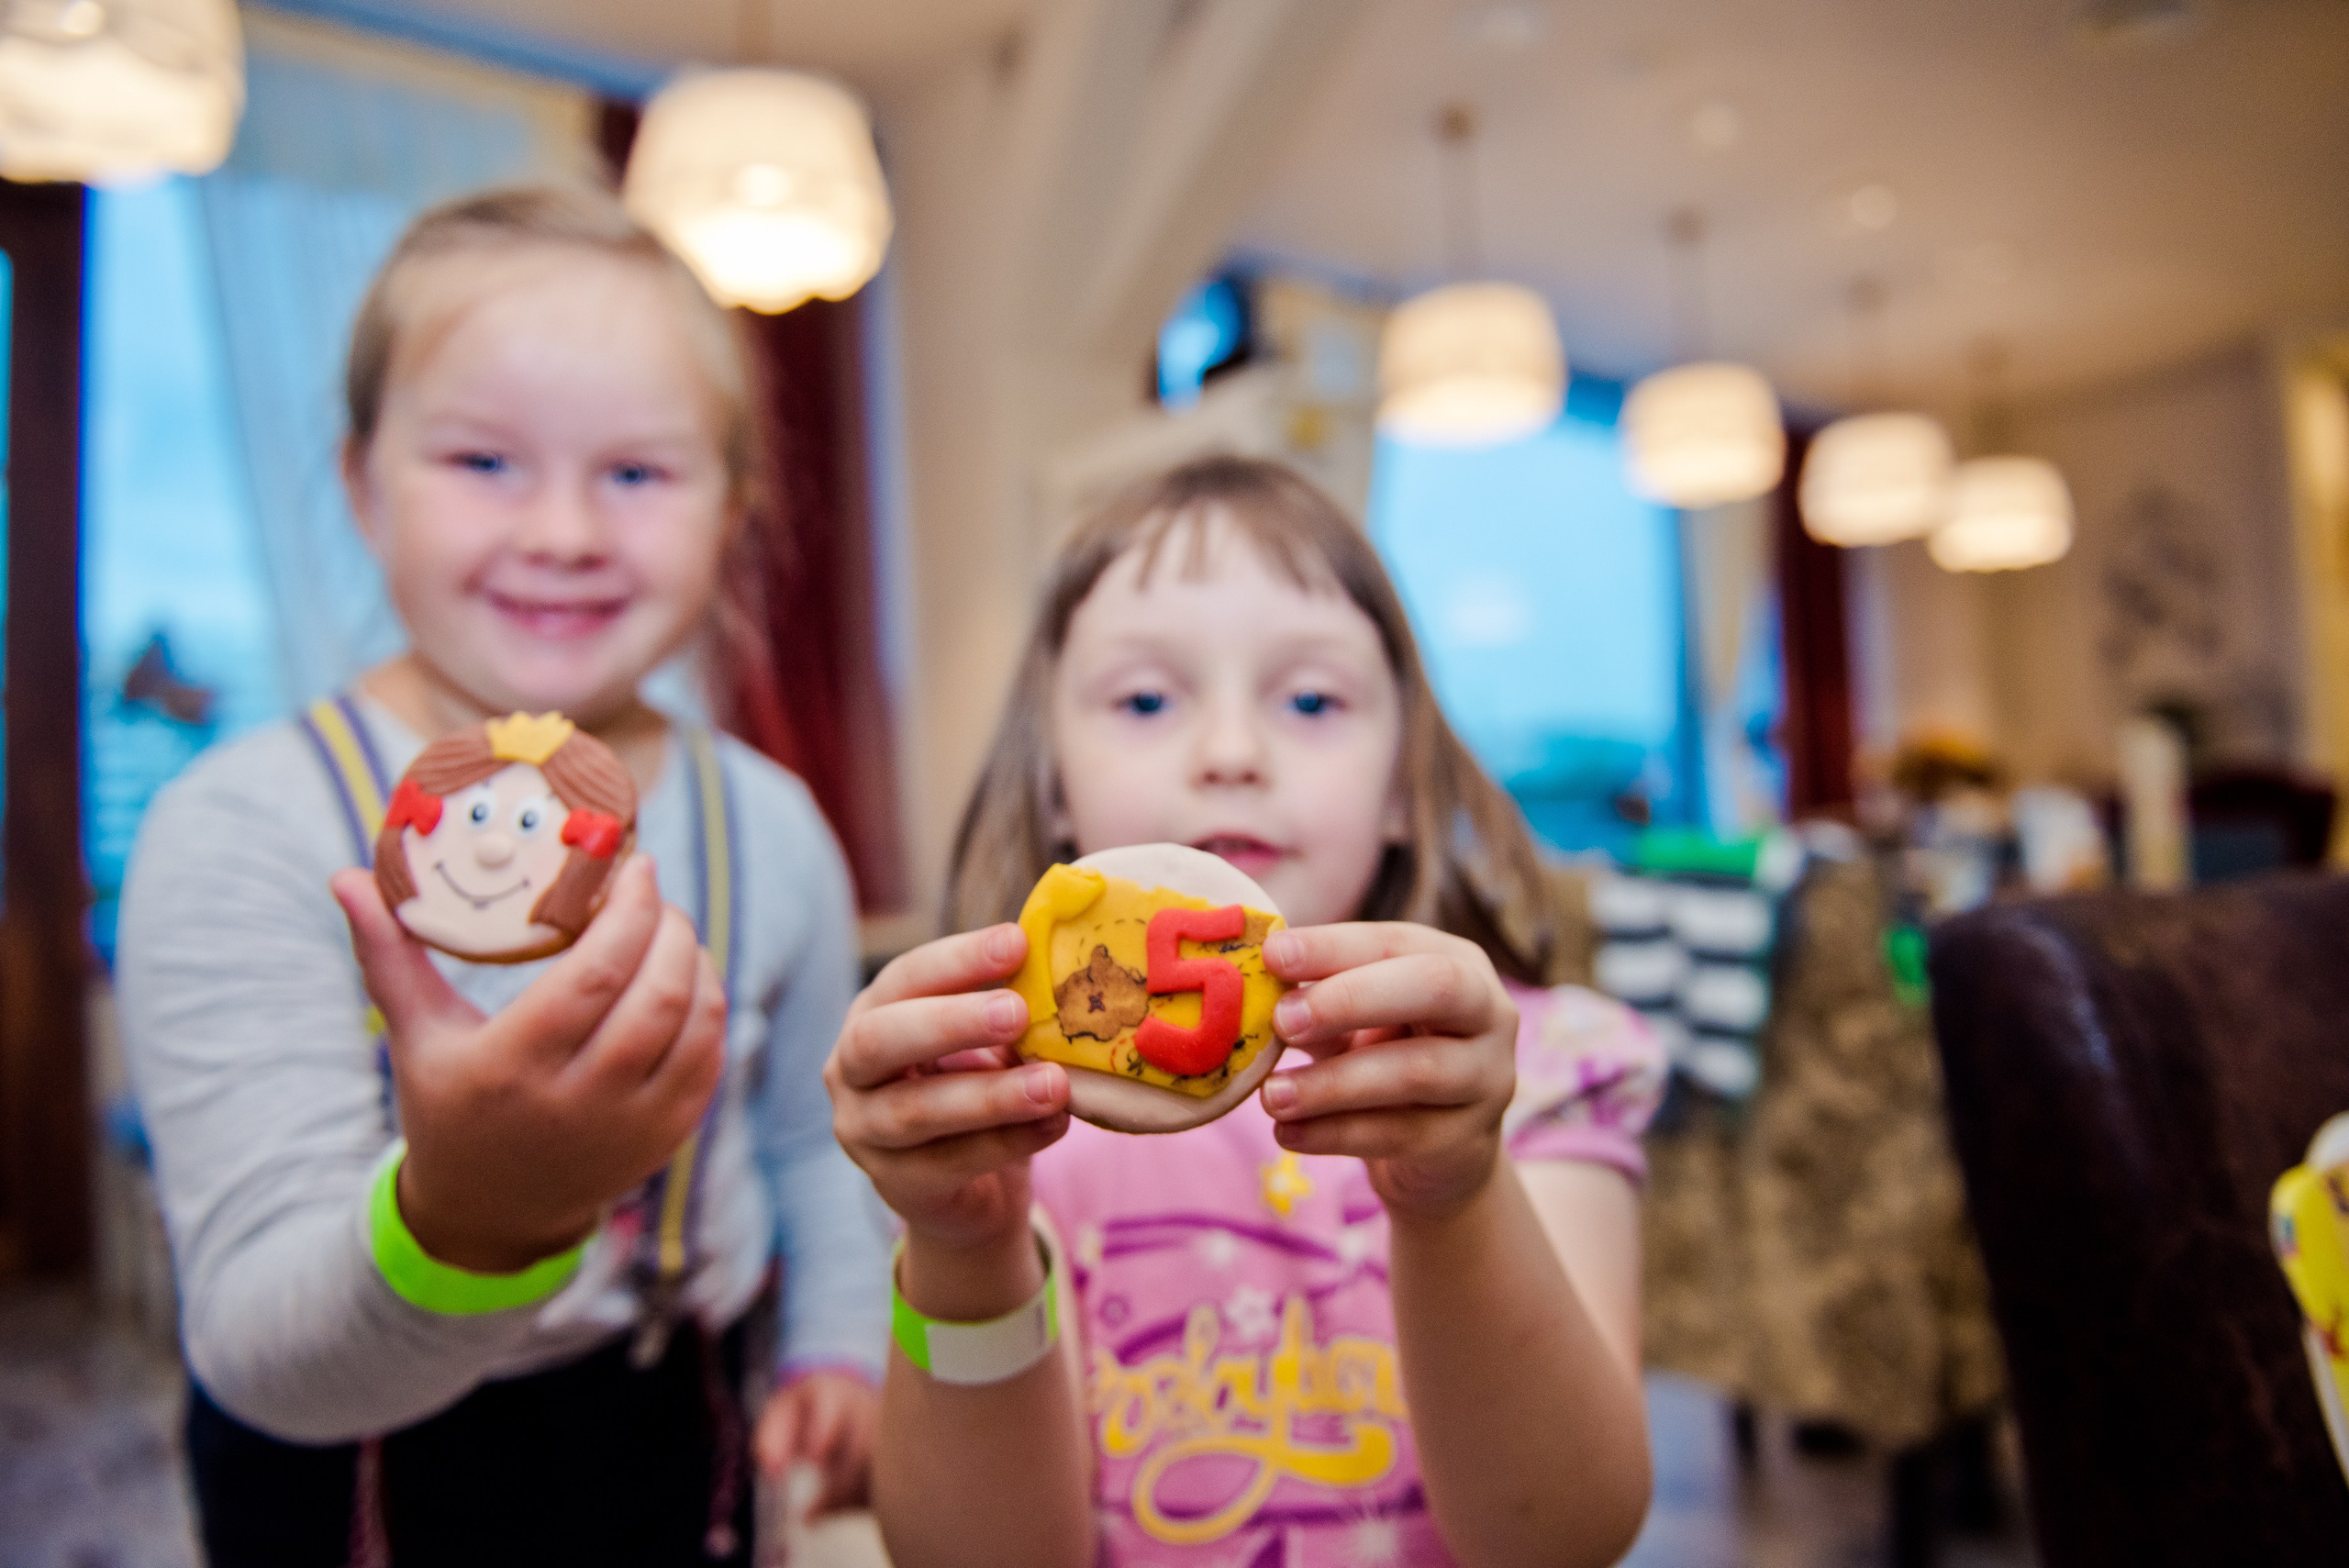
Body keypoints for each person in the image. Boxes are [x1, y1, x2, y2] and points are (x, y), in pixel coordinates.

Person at [117, 185, 889, 1565]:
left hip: (666, 1422)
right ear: (360, 485)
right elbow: (256, 1343)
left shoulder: (771, 828)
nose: (563, 532)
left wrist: (838, 1341)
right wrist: (472, 1216)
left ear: (735, 510)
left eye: (639, 475)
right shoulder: (241, 827)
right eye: (483, 463)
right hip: (348, 1453)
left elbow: (810, 1145)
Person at [829, 456, 1666, 1567]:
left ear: (1405, 785)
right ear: (1055, 786)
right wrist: (965, 1244)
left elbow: (1565, 1534)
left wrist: (1456, 1193)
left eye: (1311, 699)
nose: (1230, 753)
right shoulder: (1003, 1112)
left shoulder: (1534, 1069)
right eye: (1145, 698)